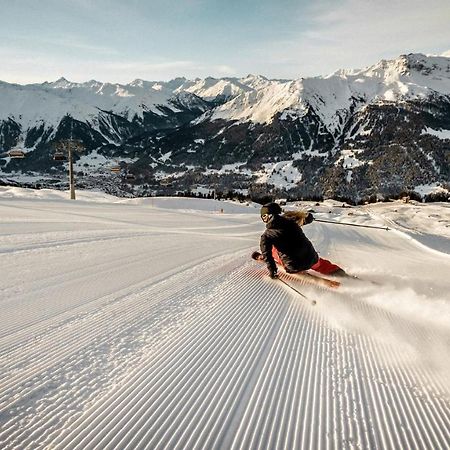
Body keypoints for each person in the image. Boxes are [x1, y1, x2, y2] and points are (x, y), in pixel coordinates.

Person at [253, 202, 347, 281]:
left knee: (273, 249)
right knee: (320, 264)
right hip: (311, 258)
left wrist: (272, 271)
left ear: (266, 217)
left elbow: (267, 255)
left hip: (294, 266)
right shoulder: (292, 221)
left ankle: (289, 264)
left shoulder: (266, 236)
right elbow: (306, 218)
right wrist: (309, 217)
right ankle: (343, 276)